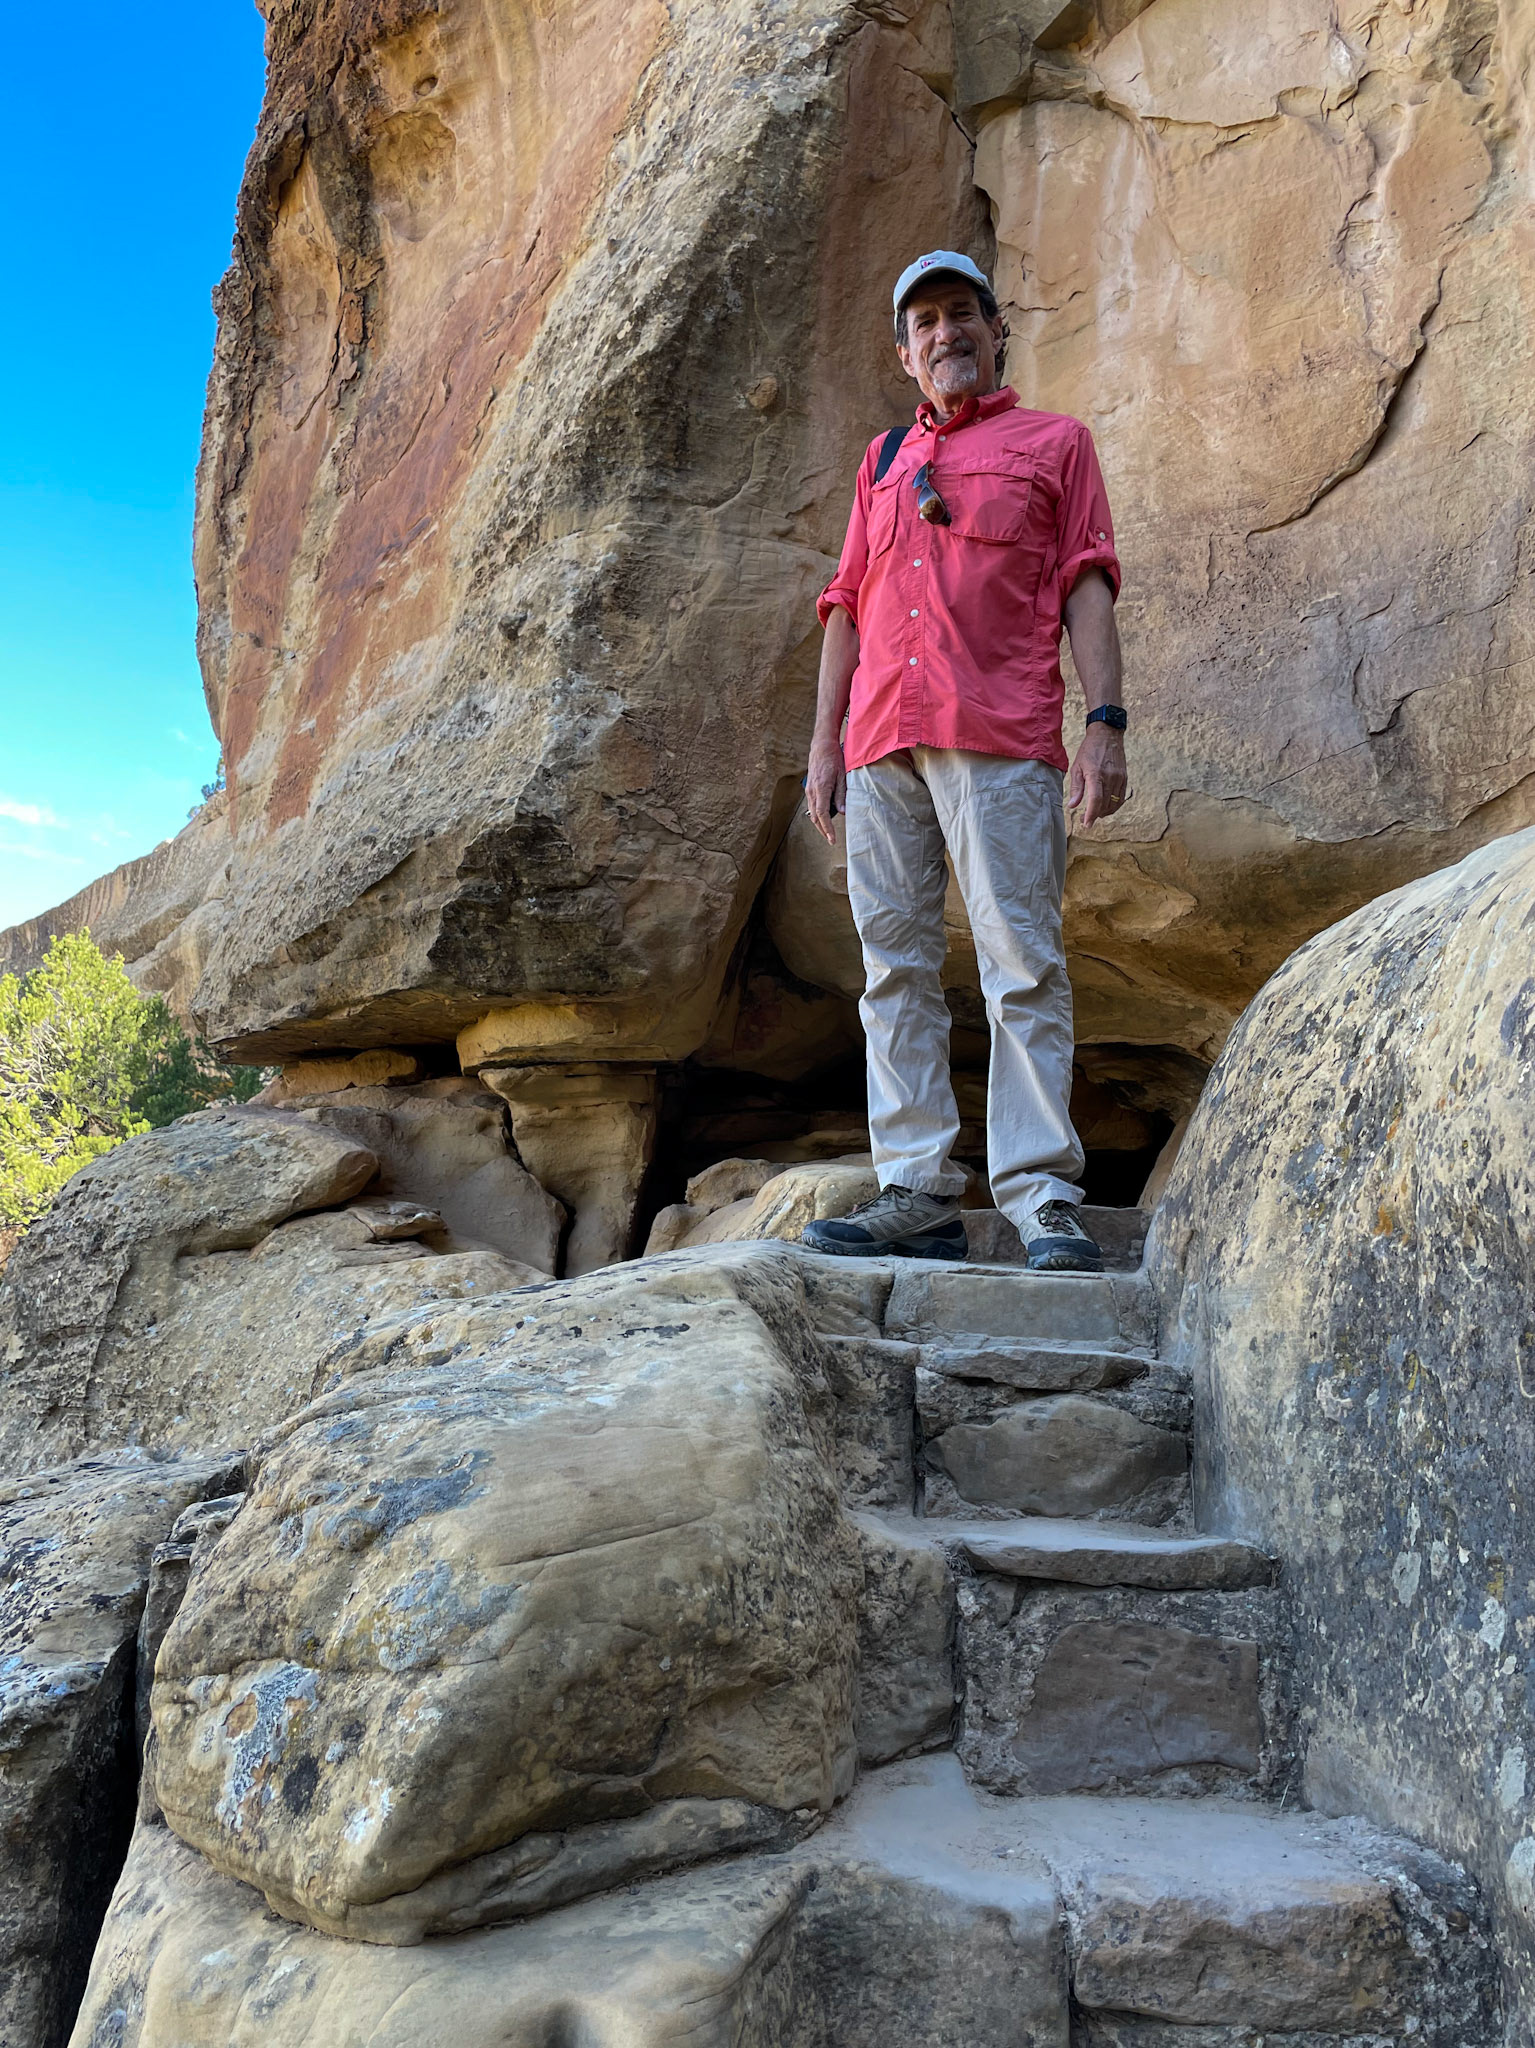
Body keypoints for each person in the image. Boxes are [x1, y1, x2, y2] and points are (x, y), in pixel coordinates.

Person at [800, 250, 1127, 1272]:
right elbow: (845, 604)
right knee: (893, 970)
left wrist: (1104, 720)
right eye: (925, 323)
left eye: (961, 315)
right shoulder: (884, 458)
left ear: (995, 332)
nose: (945, 334)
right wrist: (821, 746)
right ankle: (918, 1189)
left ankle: (1039, 1196)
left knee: (1020, 960)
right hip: (878, 741)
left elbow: (1085, 581)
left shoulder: (1053, 444)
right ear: (904, 353)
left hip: (997, 731)